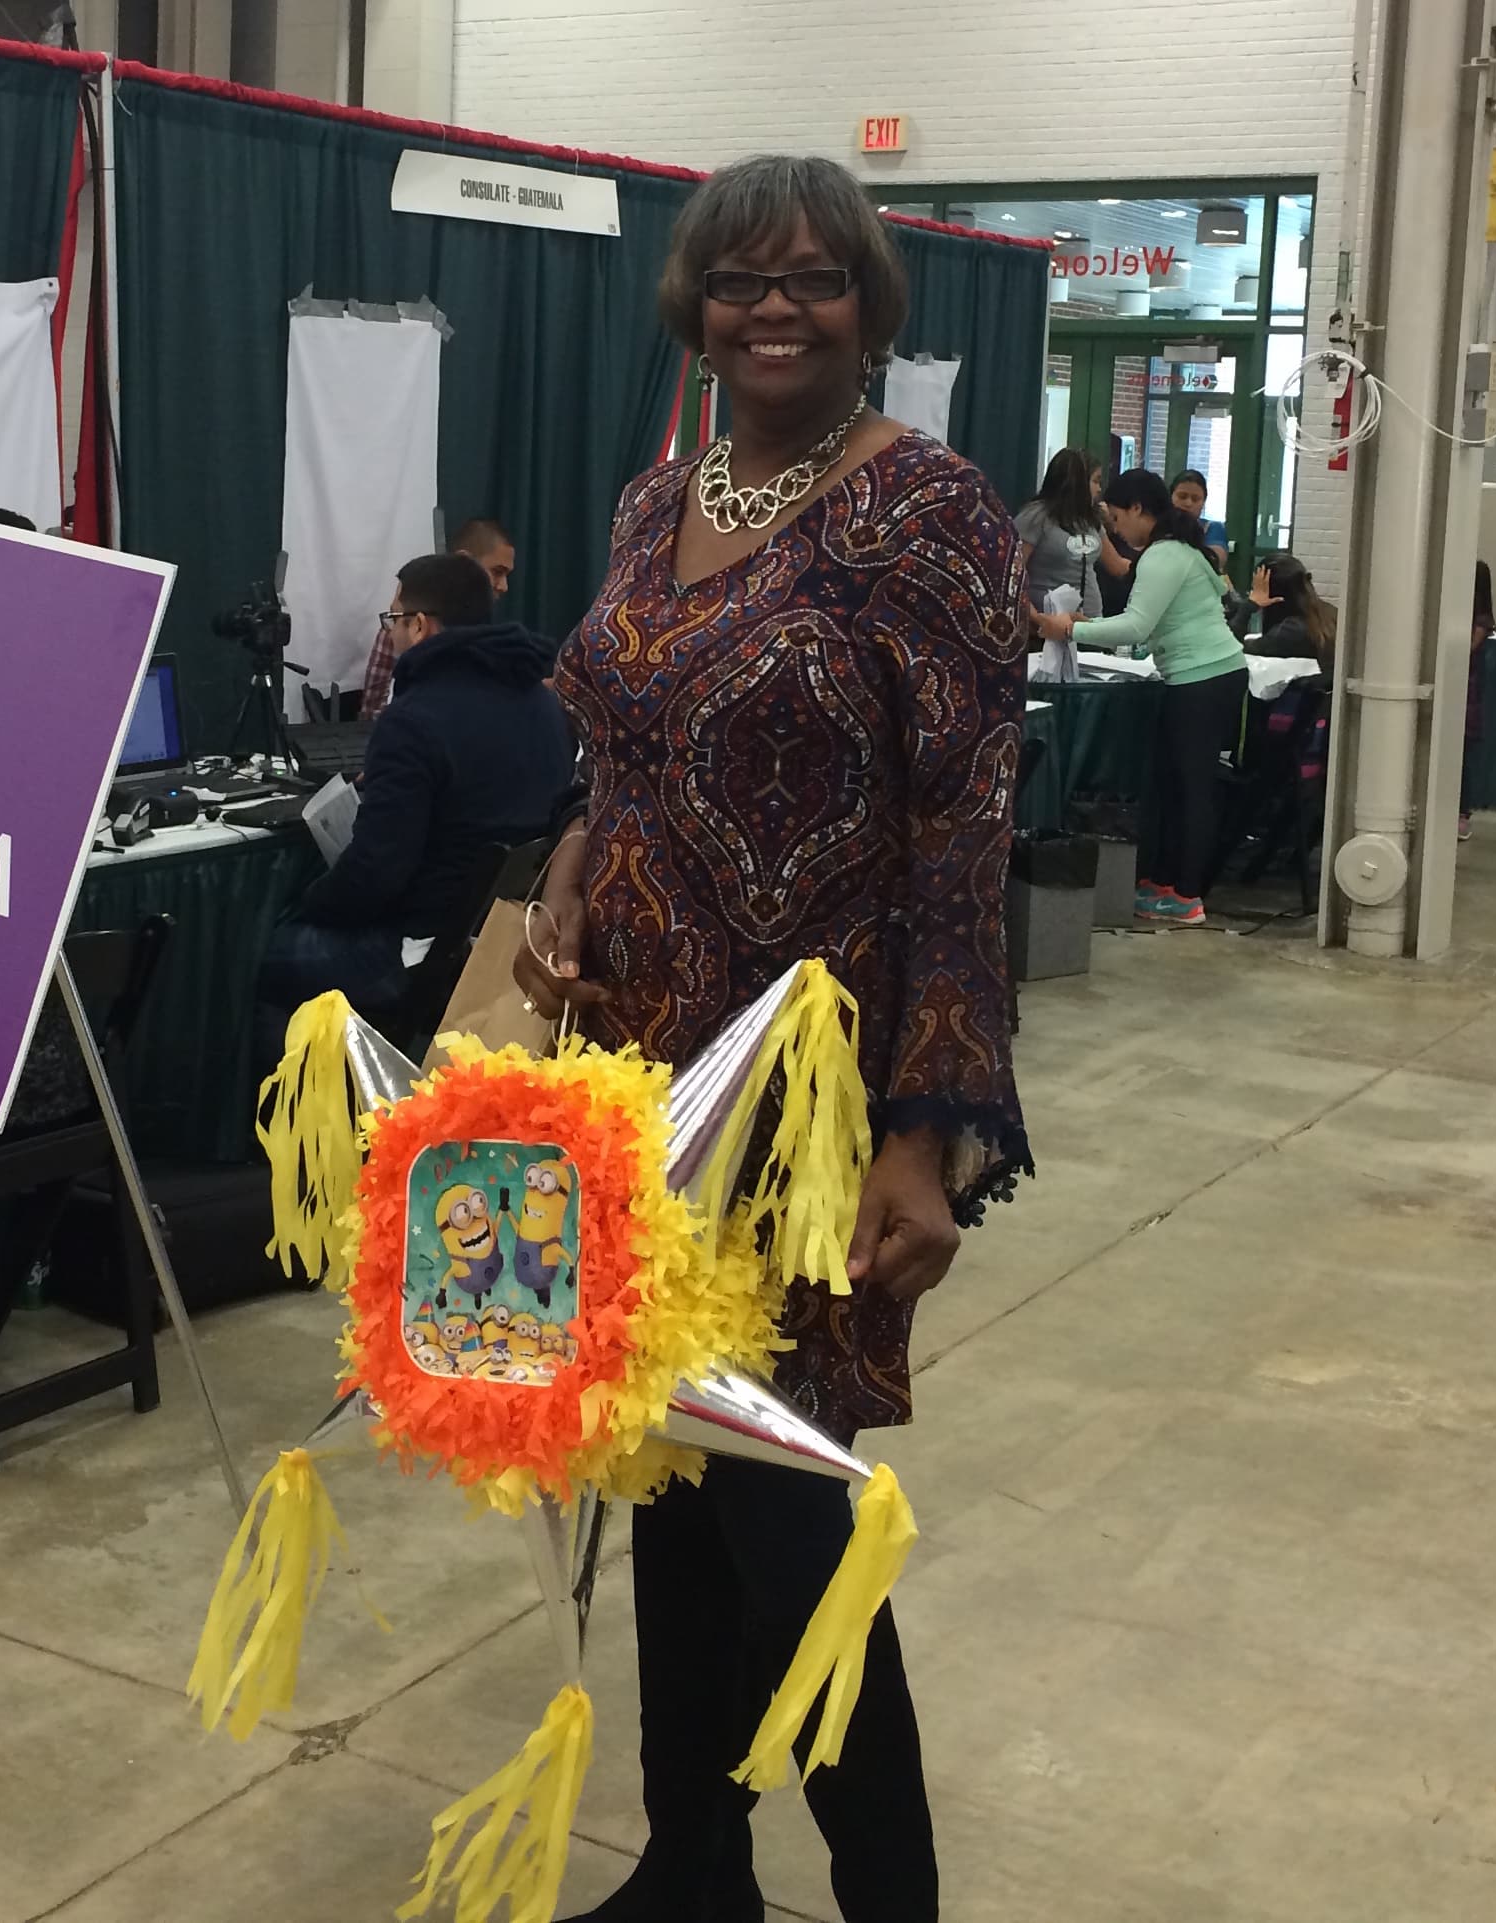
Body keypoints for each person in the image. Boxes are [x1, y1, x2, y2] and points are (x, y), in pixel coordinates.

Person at [517, 152, 1029, 1923]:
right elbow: (618, 758)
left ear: (867, 299)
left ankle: (889, 1892)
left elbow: (963, 832)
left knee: (788, 1518)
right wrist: (566, 892)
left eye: (813, 276)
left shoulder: (928, 510)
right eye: (742, 278)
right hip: (635, 1075)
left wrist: (925, 1130)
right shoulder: (654, 498)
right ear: (694, 302)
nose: (774, 306)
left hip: (801, 1097)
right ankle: (693, 1864)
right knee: (662, 1476)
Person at [256, 551, 571, 1031]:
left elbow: (376, 874)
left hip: (421, 954)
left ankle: (292, 1104)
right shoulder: (543, 705)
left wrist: (308, 903)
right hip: (499, 944)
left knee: (260, 951)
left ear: (420, 626)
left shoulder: (413, 720)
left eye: (394, 619)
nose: (391, 631)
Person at [1030, 469, 1249, 925]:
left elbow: (1135, 626)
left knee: (1192, 789)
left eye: (1114, 516)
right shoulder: (1174, 551)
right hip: (1197, 677)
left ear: (1135, 509)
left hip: (1203, 680)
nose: (1113, 528)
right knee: (1171, 785)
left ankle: (1188, 895)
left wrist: (1072, 626)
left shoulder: (1164, 555)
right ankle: (1165, 881)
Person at [362, 518, 518, 718]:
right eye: (497, 572)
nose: (504, 586)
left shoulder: (499, 641)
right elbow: (369, 718)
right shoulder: (399, 627)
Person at [1013, 447, 1111, 626]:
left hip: (1089, 626)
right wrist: (1037, 618)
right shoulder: (1036, 516)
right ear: (1077, 483)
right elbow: (1012, 576)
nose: (1099, 489)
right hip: (1046, 627)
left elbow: (1118, 565)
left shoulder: (1089, 519)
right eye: (1095, 481)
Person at [1243, 549, 1337, 666]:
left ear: (1272, 593)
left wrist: (1250, 605)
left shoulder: (1288, 632)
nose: (1252, 594)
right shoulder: (1330, 614)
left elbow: (1232, 649)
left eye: (1256, 590)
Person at [1462, 559, 1495, 840]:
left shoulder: (1481, 622)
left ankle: (1462, 814)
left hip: (1467, 695)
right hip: (1461, 692)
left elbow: (1467, 648)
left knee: (1463, 755)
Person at [1170, 467, 1231, 574]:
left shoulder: (1212, 528)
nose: (1188, 503)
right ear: (1170, 497)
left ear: (1203, 503)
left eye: (1195, 499)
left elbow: (1214, 560)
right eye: (1182, 496)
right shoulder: (1158, 526)